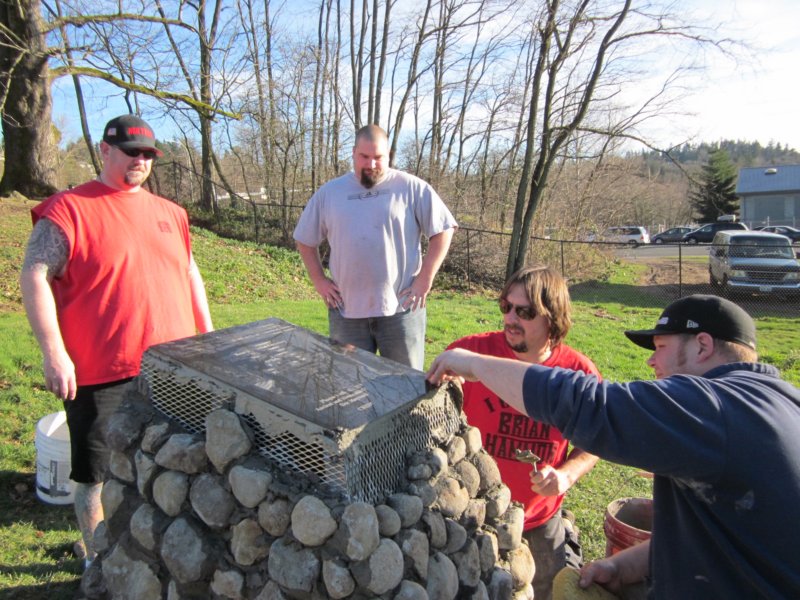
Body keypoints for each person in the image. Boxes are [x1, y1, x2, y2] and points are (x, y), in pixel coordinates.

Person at [426, 294, 800, 598]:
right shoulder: (780, 401)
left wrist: (474, 364)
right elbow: (727, 540)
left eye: (661, 346)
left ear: (702, 345)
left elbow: (589, 404)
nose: (652, 360)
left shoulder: (715, 407)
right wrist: (630, 565)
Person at [20, 114, 214, 568]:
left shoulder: (171, 213)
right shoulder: (68, 209)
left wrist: (209, 340)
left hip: (172, 364)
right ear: (105, 150)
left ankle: (153, 544)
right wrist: (54, 353)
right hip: (100, 369)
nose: (141, 161)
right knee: (95, 473)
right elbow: (34, 275)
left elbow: (189, 273)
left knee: (169, 460)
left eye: (148, 154)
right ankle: (96, 555)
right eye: (131, 151)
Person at [447, 265, 600, 600]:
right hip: (477, 515)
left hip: (540, 517)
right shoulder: (471, 353)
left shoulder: (577, 373)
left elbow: (595, 442)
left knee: (548, 590)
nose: (510, 319)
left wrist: (565, 476)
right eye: (506, 307)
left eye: (525, 312)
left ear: (553, 318)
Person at [293, 124, 457, 370]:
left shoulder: (411, 187)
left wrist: (425, 279)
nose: (371, 164)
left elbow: (443, 229)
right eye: (364, 157)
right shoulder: (330, 193)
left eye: (378, 157)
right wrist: (319, 281)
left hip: (401, 310)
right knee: (348, 388)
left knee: (405, 388)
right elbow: (304, 240)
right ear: (353, 153)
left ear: (388, 154)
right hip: (346, 313)